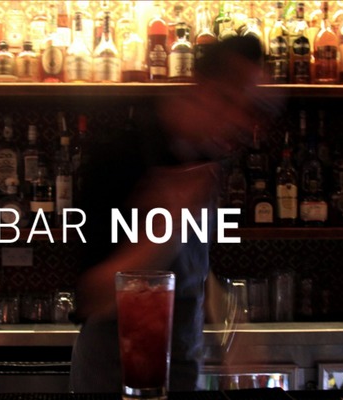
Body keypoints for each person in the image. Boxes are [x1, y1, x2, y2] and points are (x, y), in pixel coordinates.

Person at [69, 36, 270, 393]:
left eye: (250, 108)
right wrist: (167, 223)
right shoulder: (119, 157)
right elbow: (91, 298)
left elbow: (192, 268)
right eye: (232, 101)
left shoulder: (206, 159)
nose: (242, 121)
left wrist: (232, 328)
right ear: (202, 89)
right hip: (114, 379)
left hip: (180, 373)